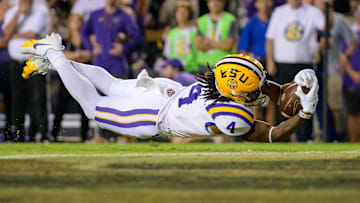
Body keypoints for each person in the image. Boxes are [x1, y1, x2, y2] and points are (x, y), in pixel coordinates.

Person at [19, 33, 319, 142]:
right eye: (255, 90)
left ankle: (51, 61)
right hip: (154, 113)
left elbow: (262, 88)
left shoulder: (226, 78)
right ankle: (55, 54)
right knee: (93, 109)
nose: (260, 93)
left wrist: (296, 88)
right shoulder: (231, 117)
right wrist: (304, 114)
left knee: (109, 84)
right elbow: (269, 134)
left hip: (165, 91)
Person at [265, 0, 329, 142]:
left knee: (306, 101)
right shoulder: (279, 12)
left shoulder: (313, 12)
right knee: (279, 101)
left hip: (304, 64)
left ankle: (305, 137)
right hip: (282, 64)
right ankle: (279, 136)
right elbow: (270, 38)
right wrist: (270, 60)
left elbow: (327, 26)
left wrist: (327, 8)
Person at [3, 0, 50, 142]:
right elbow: (5, 33)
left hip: (34, 62)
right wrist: (18, 13)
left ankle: (41, 135)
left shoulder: (40, 10)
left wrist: (12, 35)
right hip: (15, 64)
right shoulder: (12, 12)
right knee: (17, 101)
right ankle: (19, 136)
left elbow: (32, 33)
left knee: (37, 100)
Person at [314, 0, 358, 141]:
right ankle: (318, 135)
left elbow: (353, 40)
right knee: (312, 105)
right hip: (312, 68)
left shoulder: (338, 19)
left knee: (334, 106)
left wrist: (345, 56)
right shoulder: (309, 15)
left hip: (331, 68)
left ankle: (336, 136)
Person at [51, 13, 92, 142]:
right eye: (73, 20)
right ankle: (53, 134)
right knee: (60, 107)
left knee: (84, 107)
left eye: (78, 20)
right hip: (68, 77)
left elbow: (91, 54)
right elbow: (62, 55)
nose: (76, 23)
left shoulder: (87, 39)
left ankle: (84, 136)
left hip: (83, 78)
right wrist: (79, 55)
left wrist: (73, 55)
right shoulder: (64, 40)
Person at [237, 0, 275, 125]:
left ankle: (272, 130)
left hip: (275, 63)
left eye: (267, 2)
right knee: (256, 100)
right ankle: (257, 130)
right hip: (257, 64)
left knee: (273, 99)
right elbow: (243, 49)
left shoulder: (276, 21)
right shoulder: (251, 24)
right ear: (257, 5)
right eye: (262, 2)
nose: (265, 4)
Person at [81, 0, 141, 79]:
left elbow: (136, 36)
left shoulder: (124, 16)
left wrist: (124, 48)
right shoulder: (95, 15)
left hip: (117, 65)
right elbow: (84, 31)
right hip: (99, 65)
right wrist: (91, 48)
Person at [195, 0, 236, 72]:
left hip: (224, 63)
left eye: (217, 0)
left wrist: (208, 43)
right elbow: (199, 45)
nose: (214, 3)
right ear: (207, 3)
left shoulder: (231, 20)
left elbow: (228, 46)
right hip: (203, 63)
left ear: (223, 2)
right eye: (211, 0)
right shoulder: (201, 20)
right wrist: (221, 44)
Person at [163, 0, 198, 73]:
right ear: (175, 14)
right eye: (179, 12)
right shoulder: (171, 33)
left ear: (189, 15)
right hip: (174, 70)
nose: (181, 14)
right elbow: (168, 54)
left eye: (184, 12)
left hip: (191, 70)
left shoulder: (195, 32)